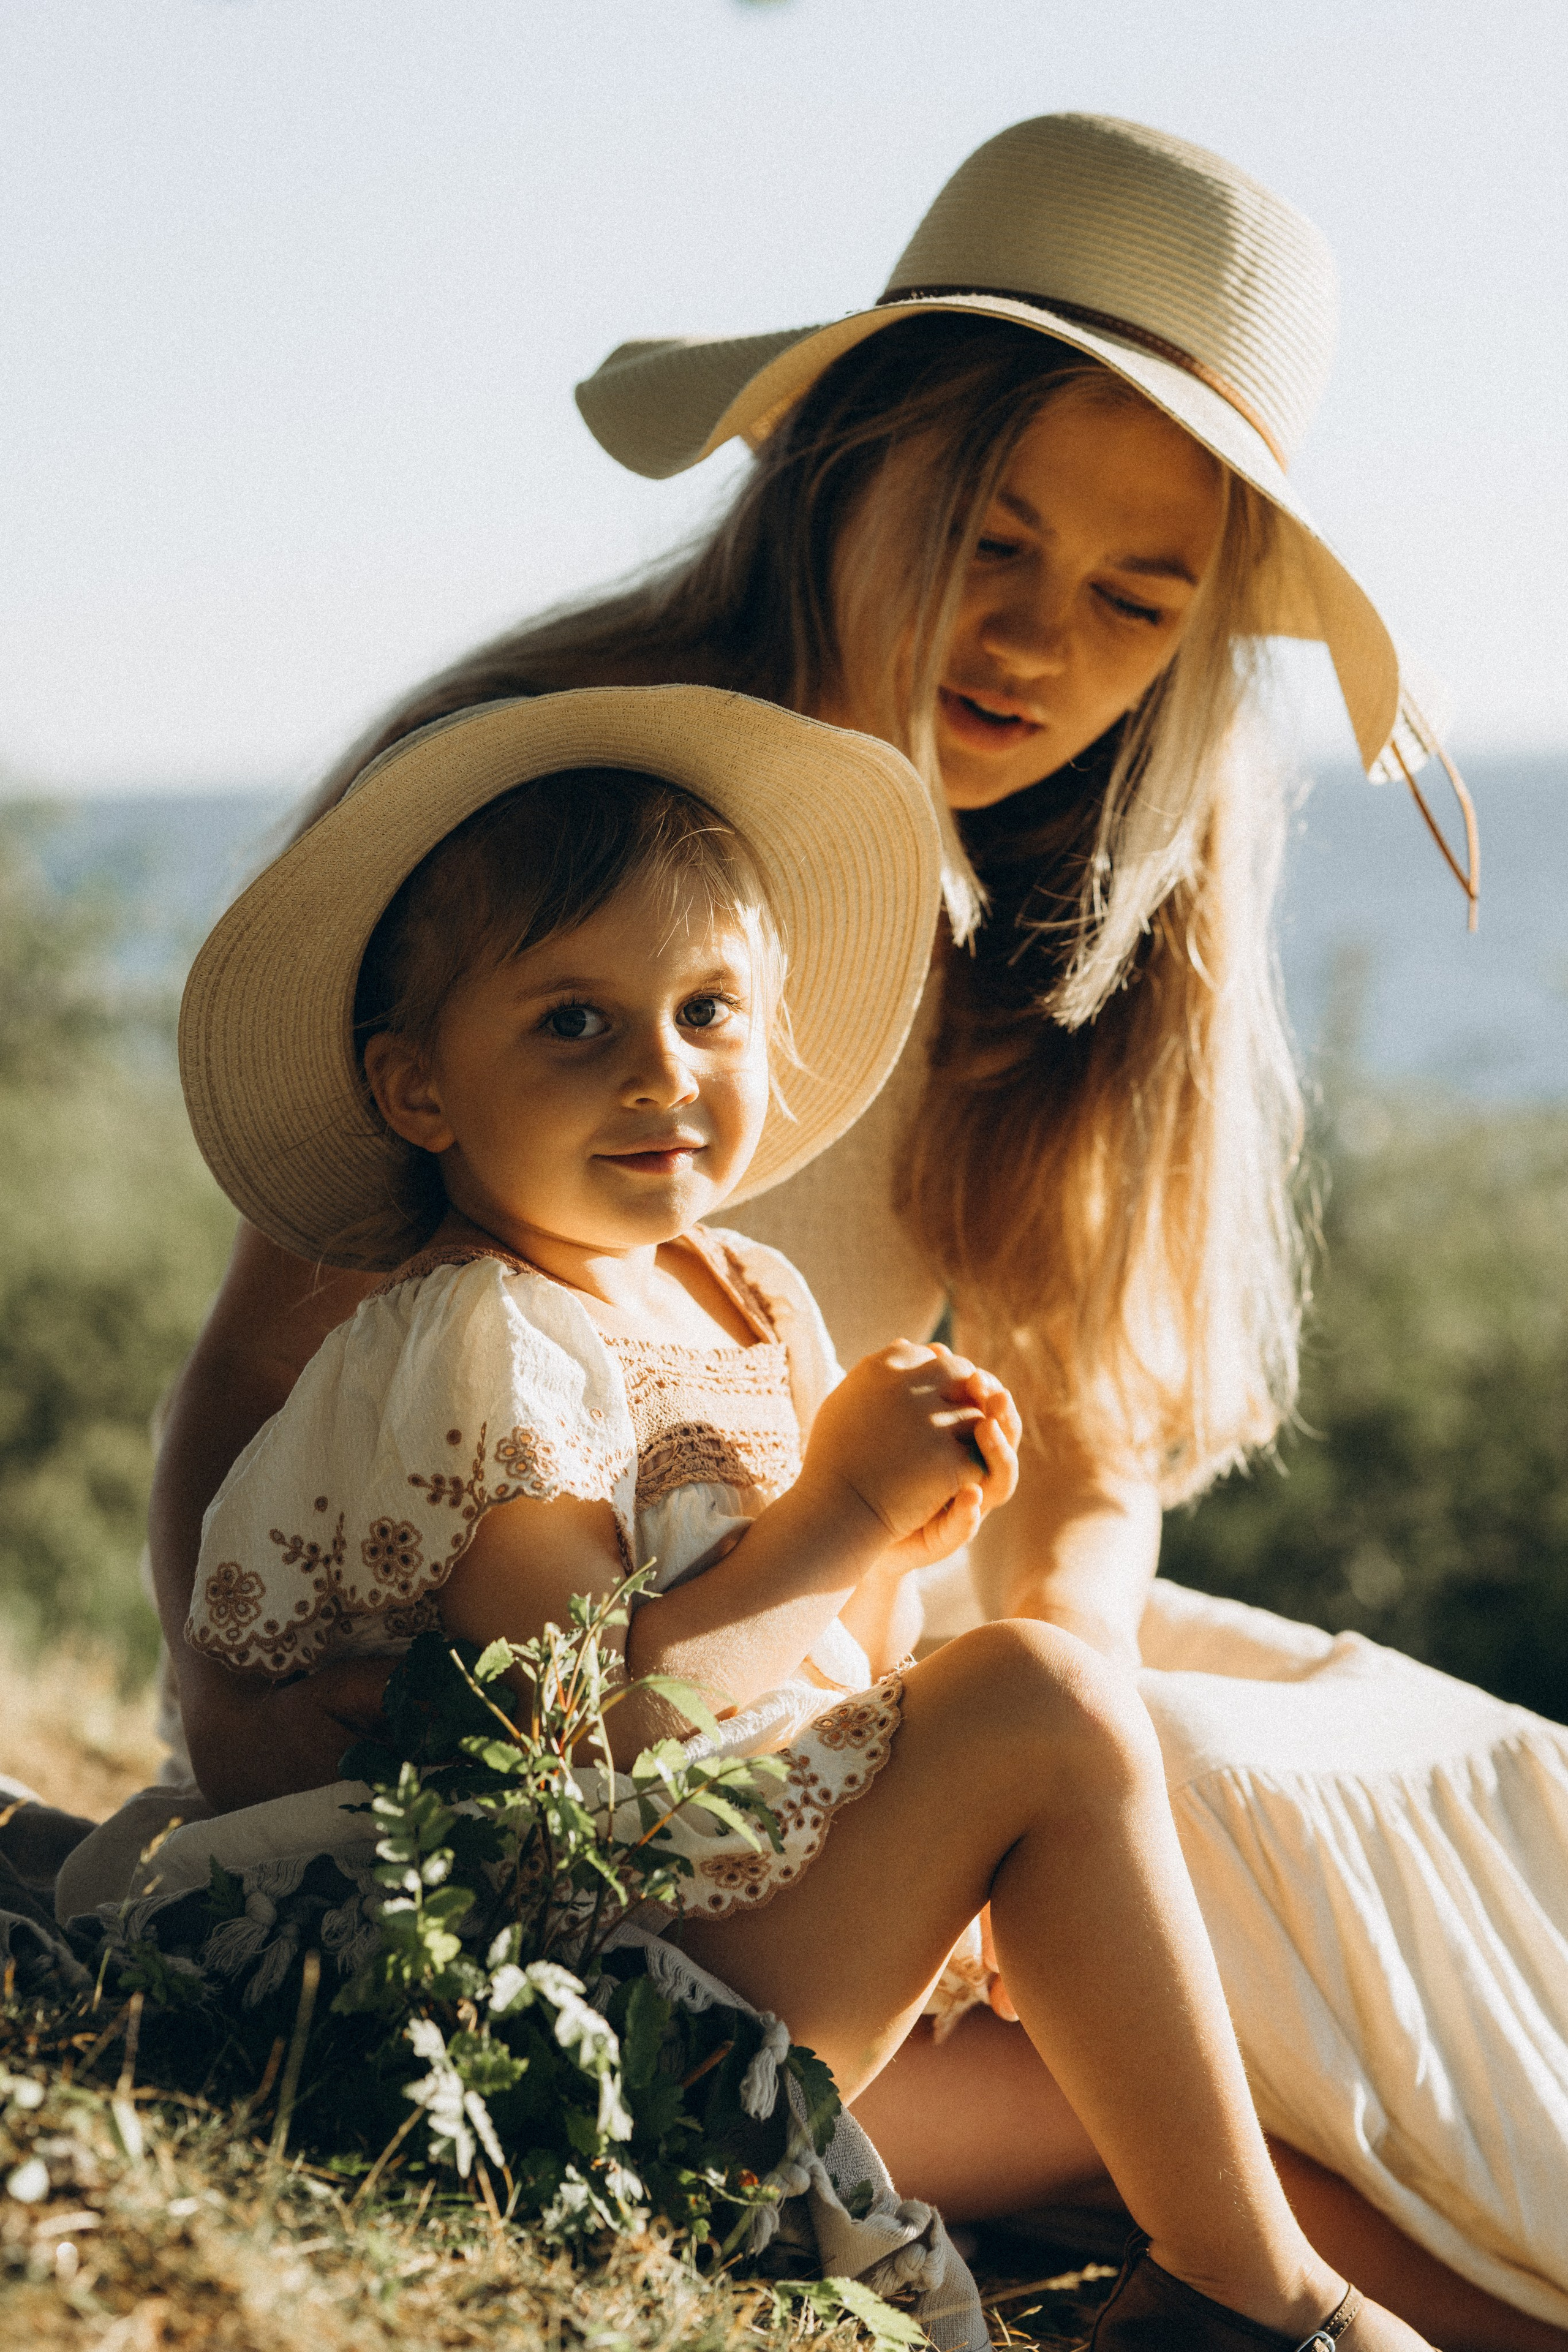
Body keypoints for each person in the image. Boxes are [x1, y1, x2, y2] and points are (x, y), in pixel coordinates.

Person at [140, 115, 1566, 2347]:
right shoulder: (554, 816)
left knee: (1457, 1788)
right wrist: (253, 1748)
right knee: (1184, 1950)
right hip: (658, 1741)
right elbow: (277, 1404)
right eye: (997, 539)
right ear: (846, 457)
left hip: (848, 1659)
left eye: (1137, 597)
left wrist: (950, 1693)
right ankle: (1272, 2289)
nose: (1038, 644)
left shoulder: (1114, 932)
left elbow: (1087, 1488)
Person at [151, 685, 1424, 2352]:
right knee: (1036, 1697)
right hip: (546, 1996)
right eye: (572, 1025)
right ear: (419, 1092)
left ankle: (1243, 2276)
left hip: (715, 1926)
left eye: (707, 1011)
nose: (660, 1074)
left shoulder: (743, 1295)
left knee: (1054, 1730)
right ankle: (1252, 2296)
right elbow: (574, 1746)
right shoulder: (481, 1338)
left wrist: (902, 1530)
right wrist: (835, 1509)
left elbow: (834, 1669)